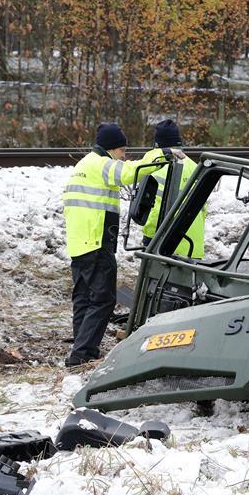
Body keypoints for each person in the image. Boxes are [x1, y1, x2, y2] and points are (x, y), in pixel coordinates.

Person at [62, 123, 176, 366]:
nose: (124, 156)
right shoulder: (101, 164)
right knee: (103, 299)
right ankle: (82, 353)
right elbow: (129, 173)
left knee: (83, 297)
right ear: (111, 148)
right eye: (122, 150)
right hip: (96, 241)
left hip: (79, 243)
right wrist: (160, 154)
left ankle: (81, 348)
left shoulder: (83, 165)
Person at [142, 119, 206, 259]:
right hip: (193, 248)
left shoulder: (159, 167)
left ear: (158, 146)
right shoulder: (196, 168)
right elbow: (203, 209)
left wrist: (148, 238)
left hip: (166, 247)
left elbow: (155, 210)